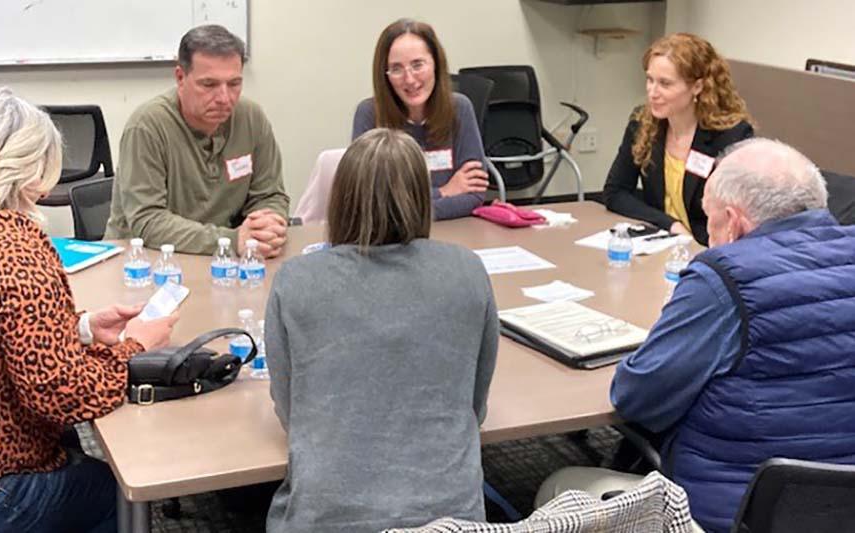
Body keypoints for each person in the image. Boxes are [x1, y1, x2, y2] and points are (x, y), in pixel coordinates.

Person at [537, 139, 855, 533]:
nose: (706, 238)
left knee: (558, 488)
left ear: (734, 221)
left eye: (709, 222)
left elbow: (637, 397)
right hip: (840, 511)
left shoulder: (724, 277)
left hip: (729, 515)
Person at [0, 87, 178, 533]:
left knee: (75, 456)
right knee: (116, 494)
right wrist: (135, 347)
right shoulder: (14, 247)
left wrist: (81, 328)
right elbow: (62, 395)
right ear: (23, 171)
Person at [264, 128, 499, 533]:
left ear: (340, 200)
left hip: (328, 518)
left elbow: (292, 412)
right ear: (424, 198)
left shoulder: (297, 280)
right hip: (452, 520)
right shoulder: (468, 271)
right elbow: (474, 406)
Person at [105, 24, 289, 257]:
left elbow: (270, 195)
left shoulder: (252, 118)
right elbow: (147, 222)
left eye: (234, 84)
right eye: (209, 85)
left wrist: (267, 224)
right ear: (181, 77)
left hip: (222, 262)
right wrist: (232, 240)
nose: (224, 98)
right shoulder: (147, 127)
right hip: (142, 262)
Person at [603, 33, 754, 245]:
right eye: (650, 80)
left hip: (708, 250)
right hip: (663, 242)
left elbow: (736, 217)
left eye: (665, 84)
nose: (652, 92)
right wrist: (670, 224)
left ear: (697, 87)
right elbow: (615, 192)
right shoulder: (643, 123)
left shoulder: (731, 136)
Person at [352, 18, 489, 220]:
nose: (409, 79)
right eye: (397, 68)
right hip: (394, 243)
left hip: (457, 232)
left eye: (417, 65)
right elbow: (371, 204)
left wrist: (406, 207)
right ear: (385, 75)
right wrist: (444, 191)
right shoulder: (369, 114)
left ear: (435, 64)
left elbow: (475, 194)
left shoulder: (460, 108)